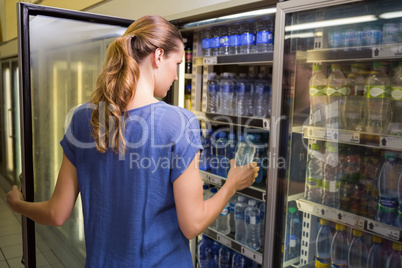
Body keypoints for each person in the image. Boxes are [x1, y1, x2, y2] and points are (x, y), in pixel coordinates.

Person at [6, 15, 258, 267]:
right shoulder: (179, 122)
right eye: (178, 63)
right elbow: (192, 225)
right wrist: (231, 185)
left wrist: (18, 205)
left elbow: (56, 213)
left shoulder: (83, 119)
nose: (176, 76)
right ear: (158, 56)